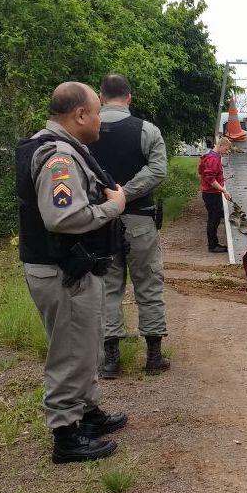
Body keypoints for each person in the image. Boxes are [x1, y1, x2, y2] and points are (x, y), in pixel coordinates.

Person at [16, 82, 128, 463]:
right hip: (61, 271)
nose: (101, 120)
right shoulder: (59, 158)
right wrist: (113, 207)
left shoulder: (61, 148)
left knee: (85, 345)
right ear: (80, 115)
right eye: (97, 112)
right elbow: (62, 216)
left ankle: (87, 413)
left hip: (74, 269)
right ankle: (66, 436)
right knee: (69, 351)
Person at [89, 74, 170, 378]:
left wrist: (109, 197)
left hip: (99, 220)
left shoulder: (87, 130)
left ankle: (111, 360)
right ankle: (153, 357)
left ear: (100, 96)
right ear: (129, 97)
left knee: (108, 287)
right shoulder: (147, 130)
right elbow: (158, 170)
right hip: (140, 219)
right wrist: (126, 193)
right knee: (148, 283)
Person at [198, 137, 232, 253]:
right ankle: (213, 246)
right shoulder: (213, 159)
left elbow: (203, 172)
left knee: (216, 217)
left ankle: (214, 244)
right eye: (226, 149)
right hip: (211, 194)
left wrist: (222, 179)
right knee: (214, 219)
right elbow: (210, 179)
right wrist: (224, 190)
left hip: (210, 193)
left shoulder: (211, 156)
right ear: (221, 146)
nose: (226, 152)